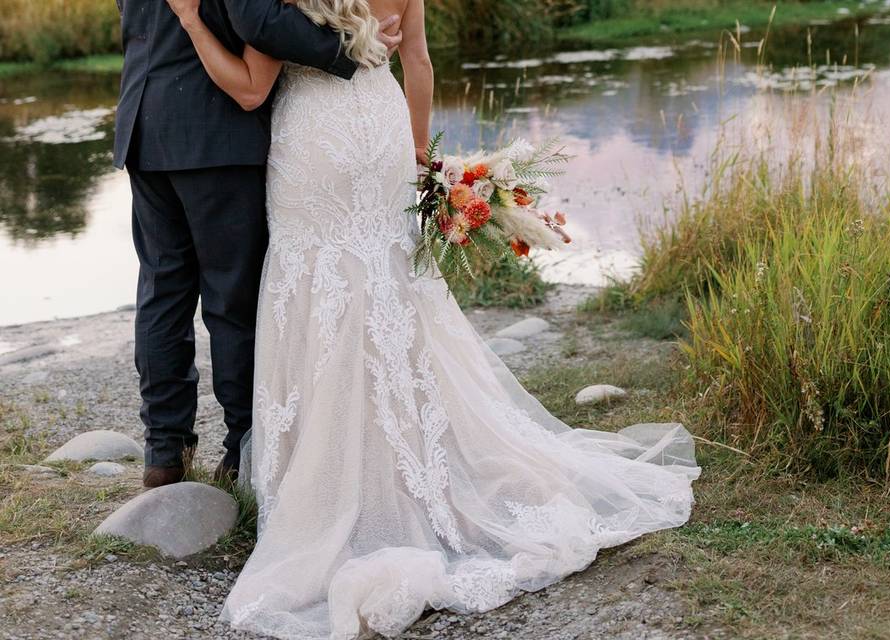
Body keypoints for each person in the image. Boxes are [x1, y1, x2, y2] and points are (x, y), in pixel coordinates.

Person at [165, 0, 700, 636]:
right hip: (381, 125)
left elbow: (252, 88)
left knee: (318, 281)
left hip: (315, 139)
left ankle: (336, 476)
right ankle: (418, 459)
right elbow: (418, 61)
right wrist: (419, 156)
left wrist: (193, 20)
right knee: (392, 281)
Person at [113, 0, 401, 488]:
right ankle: (242, 449)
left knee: (162, 293)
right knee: (233, 299)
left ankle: (163, 451)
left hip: (147, 124)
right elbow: (256, 17)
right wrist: (348, 47)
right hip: (215, 131)